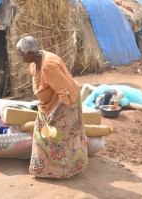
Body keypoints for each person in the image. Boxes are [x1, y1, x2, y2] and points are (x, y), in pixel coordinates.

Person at [16, 36, 88, 178]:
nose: (19, 57)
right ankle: (42, 170)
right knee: (41, 135)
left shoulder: (48, 66)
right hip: (48, 104)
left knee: (64, 137)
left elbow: (65, 92)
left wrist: (55, 113)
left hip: (65, 103)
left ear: (30, 52)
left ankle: (65, 171)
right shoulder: (33, 62)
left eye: (21, 54)